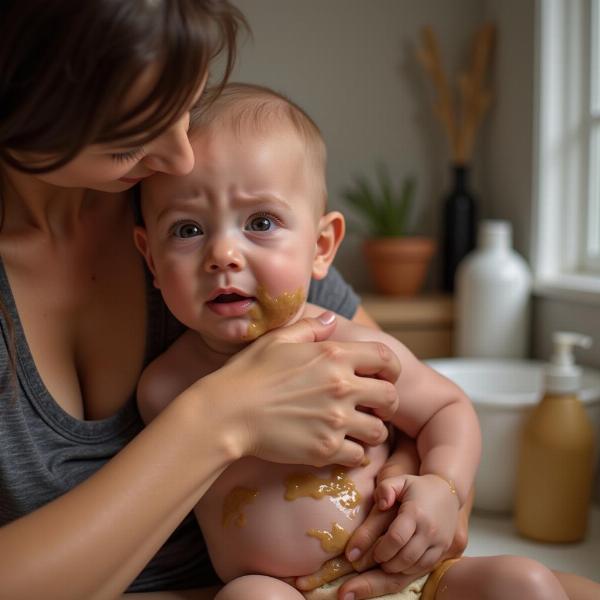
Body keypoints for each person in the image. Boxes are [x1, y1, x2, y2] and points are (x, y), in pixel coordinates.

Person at [0, 3, 425, 598]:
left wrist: (411, 494)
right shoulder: (181, 227)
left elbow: (410, 406)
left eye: (184, 104)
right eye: (132, 133)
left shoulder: (195, 201)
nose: (180, 155)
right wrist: (221, 419)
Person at [133, 82, 573, 600]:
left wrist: (443, 488)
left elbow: (446, 408)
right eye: (187, 230)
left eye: (261, 222)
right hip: (283, 590)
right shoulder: (165, 389)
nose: (223, 254)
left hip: (415, 579)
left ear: (321, 247)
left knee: (528, 583)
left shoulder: (351, 346)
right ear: (151, 260)